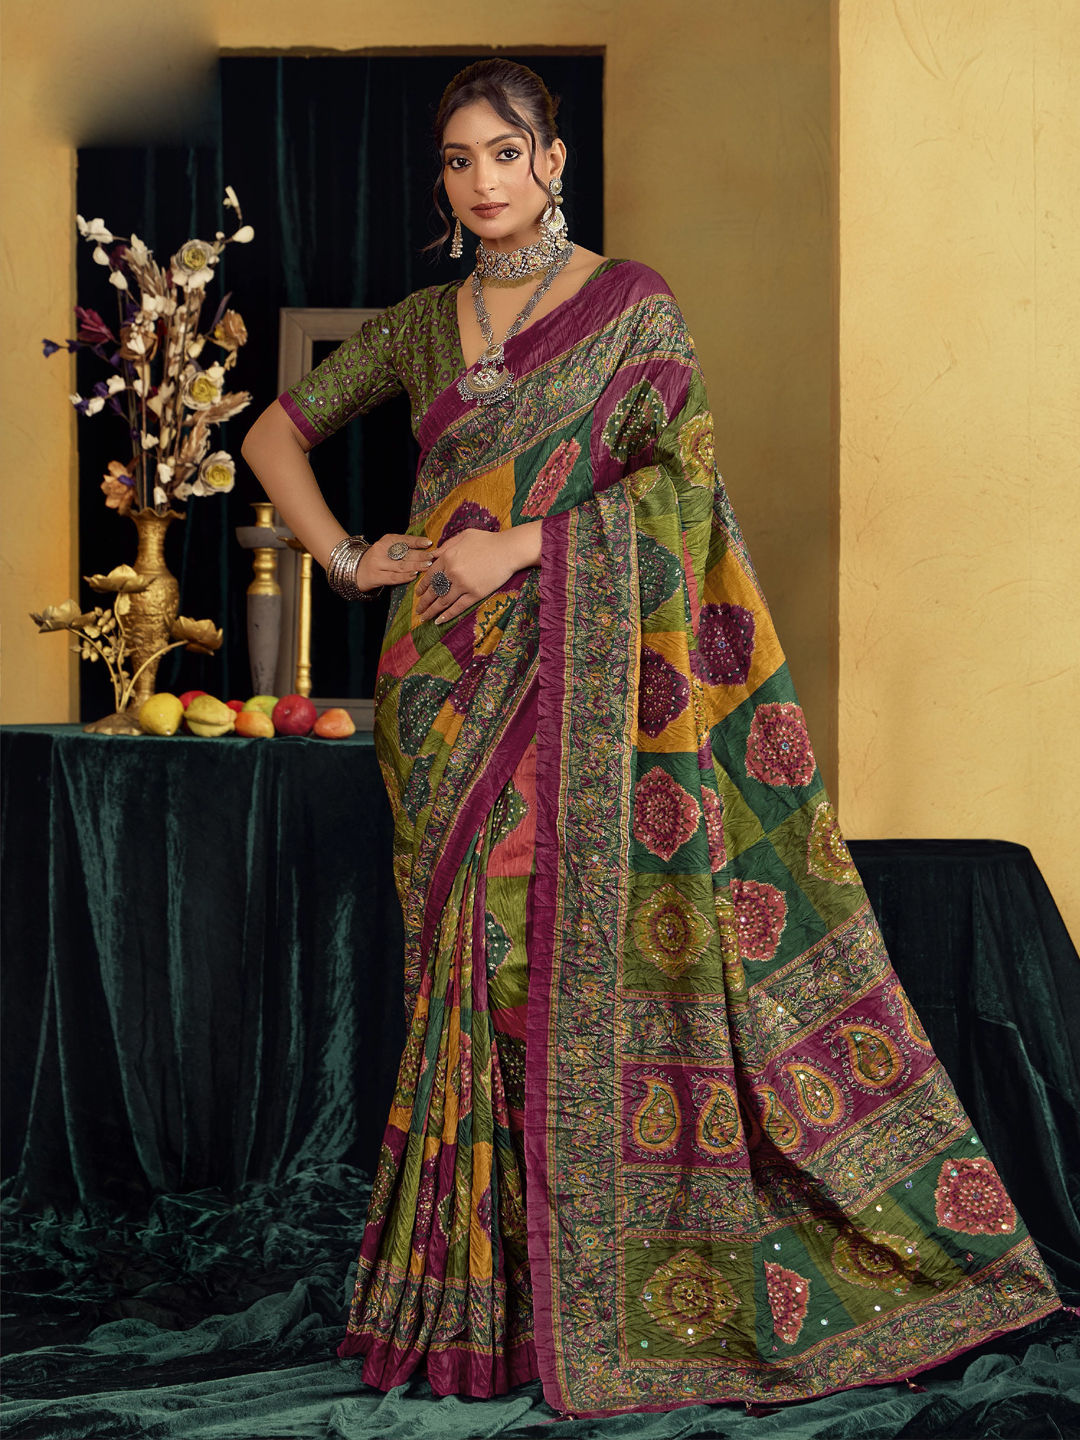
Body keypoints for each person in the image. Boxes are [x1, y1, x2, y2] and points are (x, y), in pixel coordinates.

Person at [241, 58, 1060, 1420]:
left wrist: (524, 546)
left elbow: (683, 491)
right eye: (459, 160)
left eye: (506, 152)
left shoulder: (630, 307)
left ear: (553, 160)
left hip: (577, 678)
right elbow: (273, 435)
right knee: (464, 972)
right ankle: (479, 1303)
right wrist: (349, 557)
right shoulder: (423, 323)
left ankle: (581, 1291)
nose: (483, 180)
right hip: (439, 689)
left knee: (540, 962)